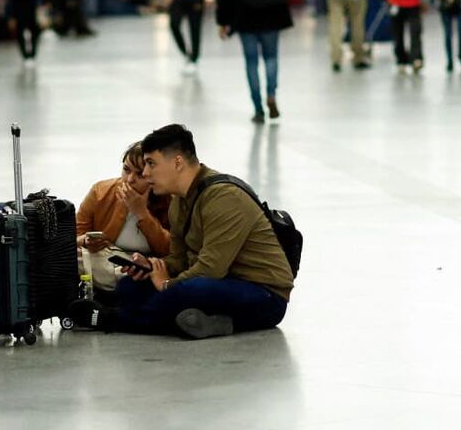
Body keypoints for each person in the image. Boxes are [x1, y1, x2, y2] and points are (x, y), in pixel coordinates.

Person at [69, 124, 294, 339]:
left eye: (150, 163)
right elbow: (178, 258)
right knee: (130, 285)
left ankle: (111, 320)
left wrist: (167, 284)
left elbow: (209, 270)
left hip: (264, 294)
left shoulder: (224, 197)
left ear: (177, 162)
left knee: (189, 290)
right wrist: (152, 267)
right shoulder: (179, 200)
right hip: (219, 282)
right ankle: (214, 322)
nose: (146, 173)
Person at [76, 141, 172, 298]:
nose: (129, 179)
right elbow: (74, 236)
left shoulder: (170, 198)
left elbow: (170, 250)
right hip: (106, 258)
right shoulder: (100, 191)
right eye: (126, 170)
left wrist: (141, 213)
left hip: (148, 264)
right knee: (70, 257)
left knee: (144, 273)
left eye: (139, 174)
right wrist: (85, 241)